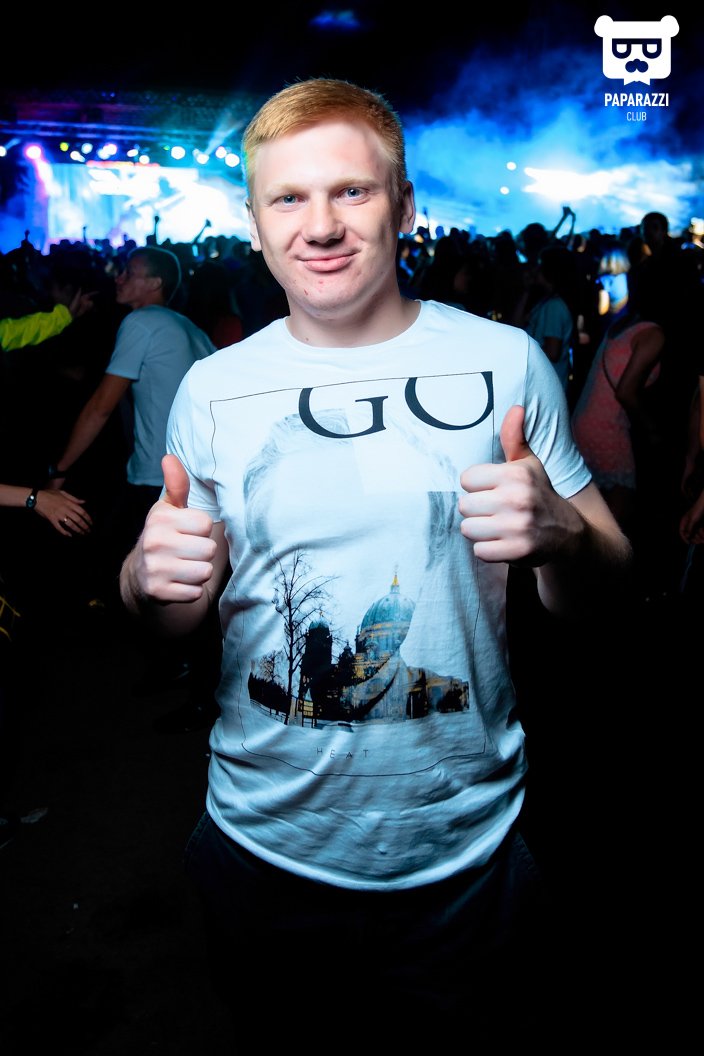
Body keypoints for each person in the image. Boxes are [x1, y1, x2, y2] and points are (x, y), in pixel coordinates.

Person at [118, 78, 632, 1042]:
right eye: (289, 197)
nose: (320, 226)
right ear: (254, 222)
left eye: (351, 191)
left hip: (467, 860)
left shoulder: (504, 362)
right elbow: (168, 612)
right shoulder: (214, 388)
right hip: (261, 850)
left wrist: (564, 537)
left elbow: (608, 585)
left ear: (403, 204)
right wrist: (144, 580)